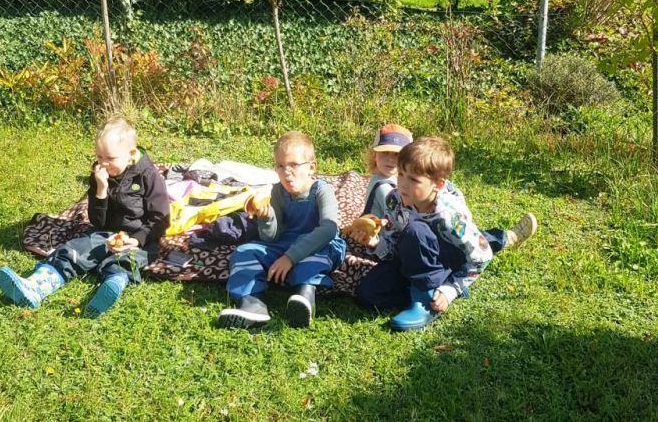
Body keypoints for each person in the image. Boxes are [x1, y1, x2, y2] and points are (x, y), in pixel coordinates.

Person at [353, 136, 537, 331]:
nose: (403, 184)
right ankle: (422, 285)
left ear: (438, 185)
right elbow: (393, 248)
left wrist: (450, 290)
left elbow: (482, 256)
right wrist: (376, 243)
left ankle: (426, 296)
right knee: (368, 294)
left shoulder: (449, 215)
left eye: (414, 179)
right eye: (401, 174)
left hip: (447, 258)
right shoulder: (395, 200)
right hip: (415, 259)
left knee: (416, 231)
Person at [0, 117, 170, 317]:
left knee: (125, 261)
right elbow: (97, 221)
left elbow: (160, 218)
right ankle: (36, 286)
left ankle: (111, 287)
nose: (103, 163)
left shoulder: (148, 176)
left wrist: (136, 239)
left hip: (142, 239)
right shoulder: (100, 173)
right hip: (105, 232)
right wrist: (101, 189)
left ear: (130, 154)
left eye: (110, 158)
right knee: (74, 249)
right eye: (99, 156)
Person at [217, 131, 346, 329]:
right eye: (280, 166)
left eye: (294, 165)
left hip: (318, 245)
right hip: (286, 244)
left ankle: (304, 297)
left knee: (317, 257)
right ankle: (253, 304)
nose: (286, 172)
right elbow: (270, 238)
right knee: (244, 252)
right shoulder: (277, 191)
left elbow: (329, 229)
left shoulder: (321, 190)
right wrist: (266, 217)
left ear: (311, 167)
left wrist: (290, 258)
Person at [361, 124, 413, 259]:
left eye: (397, 154)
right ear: (375, 155)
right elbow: (402, 221)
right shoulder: (385, 189)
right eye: (384, 152)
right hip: (384, 243)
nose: (390, 159)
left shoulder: (381, 176)